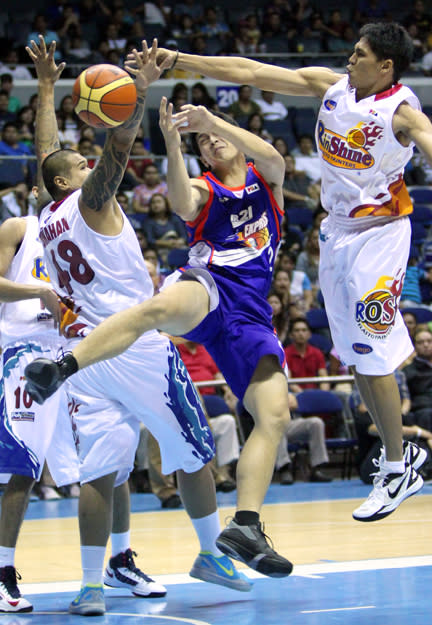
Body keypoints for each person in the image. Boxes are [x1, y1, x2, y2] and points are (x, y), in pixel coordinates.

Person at [148, 21, 432, 522]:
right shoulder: (332, 87)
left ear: (385, 66)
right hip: (337, 234)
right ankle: (399, 459)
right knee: (352, 356)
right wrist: (178, 59)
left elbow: (427, 136)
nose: (350, 58)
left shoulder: (402, 112)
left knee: (370, 347)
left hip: (383, 232)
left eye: (361, 54)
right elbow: (252, 71)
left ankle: (394, 464)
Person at [24, 36, 251, 616]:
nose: (86, 161)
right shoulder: (90, 200)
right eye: (81, 166)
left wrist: (49, 88)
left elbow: (47, 152)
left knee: (99, 476)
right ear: (72, 183)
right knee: (196, 452)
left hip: (82, 355)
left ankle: (91, 587)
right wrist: (140, 92)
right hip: (134, 345)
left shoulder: (48, 213)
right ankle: (208, 552)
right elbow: (118, 149)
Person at [284, 317, 330, 392]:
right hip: (294, 394)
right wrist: (304, 396)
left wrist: (323, 394)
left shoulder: (317, 353)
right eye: (297, 330)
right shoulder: (285, 353)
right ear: (291, 335)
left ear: (309, 334)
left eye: (304, 330)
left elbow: (324, 378)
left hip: (315, 393)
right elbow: (289, 381)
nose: (301, 333)